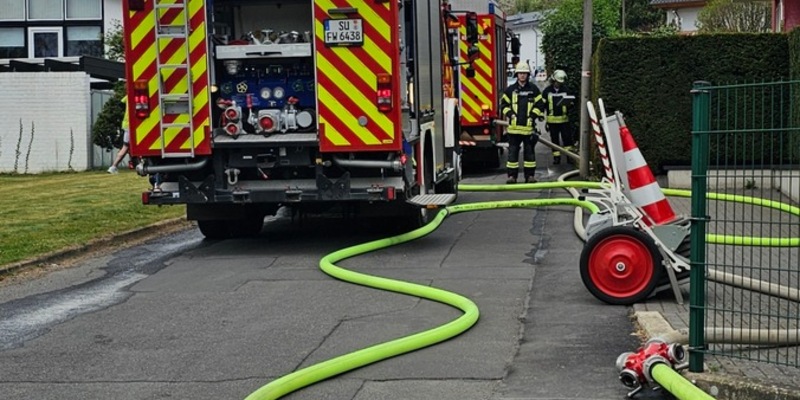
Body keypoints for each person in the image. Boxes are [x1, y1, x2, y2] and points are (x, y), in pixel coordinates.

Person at [499, 62, 546, 184]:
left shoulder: (533, 89)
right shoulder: (510, 90)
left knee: (529, 154)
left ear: (528, 75)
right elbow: (503, 105)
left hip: (528, 128)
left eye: (524, 73)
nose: (522, 76)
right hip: (514, 129)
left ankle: (530, 176)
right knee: (512, 154)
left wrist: (532, 116)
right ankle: (512, 177)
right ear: (516, 75)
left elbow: (540, 104)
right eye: (520, 73)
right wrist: (511, 114)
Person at [542, 69, 575, 165]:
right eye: (557, 82)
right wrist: (540, 115)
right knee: (554, 140)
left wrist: (570, 104)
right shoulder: (547, 91)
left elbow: (572, 103)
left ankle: (570, 157)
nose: (558, 84)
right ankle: (556, 157)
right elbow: (542, 105)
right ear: (553, 80)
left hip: (564, 120)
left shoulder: (566, 90)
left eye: (560, 82)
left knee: (567, 140)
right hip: (552, 122)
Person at [108, 95, 130, 174]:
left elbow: (121, 102)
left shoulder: (128, 96)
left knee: (127, 147)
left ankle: (114, 167)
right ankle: (113, 167)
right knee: (126, 147)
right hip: (130, 124)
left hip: (126, 123)